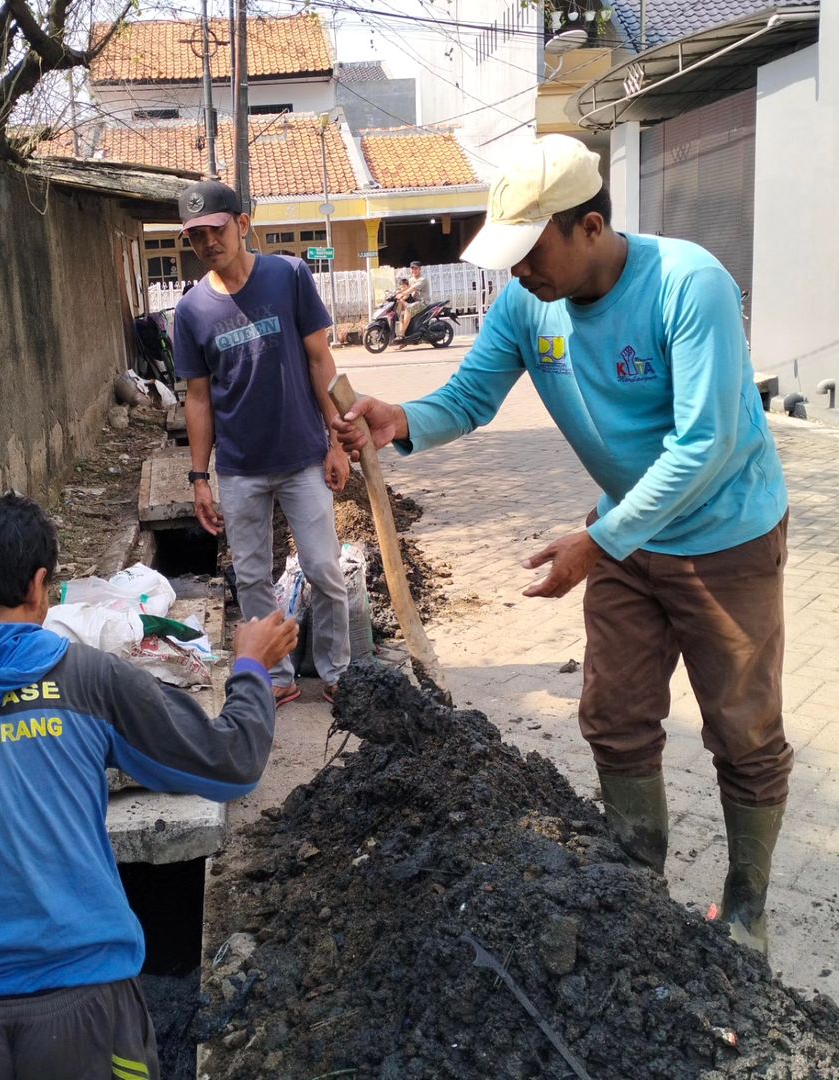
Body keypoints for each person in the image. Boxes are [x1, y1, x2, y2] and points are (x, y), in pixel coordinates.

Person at [333, 134, 791, 956]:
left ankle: (747, 911)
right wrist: (401, 420)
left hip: (724, 537)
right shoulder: (527, 305)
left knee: (743, 731)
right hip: (622, 535)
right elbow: (469, 397)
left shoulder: (688, 285)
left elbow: (706, 443)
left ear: (590, 226)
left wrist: (596, 542)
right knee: (614, 716)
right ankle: (637, 895)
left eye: (531, 250)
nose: (518, 272)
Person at [0, 493, 297, 1080]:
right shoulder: (87, 680)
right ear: (40, 588)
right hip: (87, 1001)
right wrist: (250, 666)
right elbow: (232, 762)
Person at [172, 179, 351, 707]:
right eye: (197, 235)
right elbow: (198, 399)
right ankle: (276, 675)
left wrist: (336, 441)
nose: (209, 242)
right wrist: (199, 478)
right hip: (240, 468)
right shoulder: (191, 311)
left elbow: (320, 361)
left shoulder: (288, 276)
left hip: (302, 457)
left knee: (324, 568)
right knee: (251, 577)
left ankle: (339, 671)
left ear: (243, 224)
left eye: (217, 229)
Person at [395, 260, 429, 342]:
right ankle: (404, 336)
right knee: (402, 314)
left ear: (420, 269)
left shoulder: (422, 279)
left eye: (416, 268)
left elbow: (412, 289)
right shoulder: (411, 279)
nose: (414, 270)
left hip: (423, 303)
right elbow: (405, 288)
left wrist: (402, 293)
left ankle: (401, 334)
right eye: (412, 268)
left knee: (408, 309)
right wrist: (396, 293)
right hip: (414, 302)